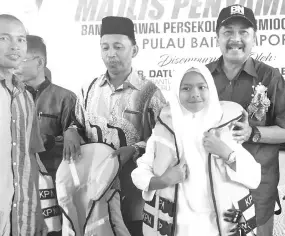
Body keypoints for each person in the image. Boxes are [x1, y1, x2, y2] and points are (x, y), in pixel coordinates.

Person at [63, 16, 166, 236]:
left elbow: (164, 140)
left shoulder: (149, 93)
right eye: (105, 47)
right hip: (94, 188)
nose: (111, 54)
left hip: (133, 186)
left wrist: (136, 149)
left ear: (134, 50)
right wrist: (71, 131)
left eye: (118, 47)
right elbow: (77, 123)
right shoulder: (88, 89)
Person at [131, 62, 261, 236]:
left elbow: (254, 177)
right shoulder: (164, 129)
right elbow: (141, 173)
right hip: (180, 225)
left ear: (211, 89)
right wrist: (163, 181)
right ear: (176, 91)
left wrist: (226, 153)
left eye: (201, 87)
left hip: (221, 225)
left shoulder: (226, 126)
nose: (195, 94)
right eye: (186, 88)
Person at [206, 4, 285, 236]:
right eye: (228, 32)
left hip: (257, 185)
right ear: (217, 37)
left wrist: (253, 133)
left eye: (243, 33)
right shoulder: (202, 76)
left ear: (254, 38)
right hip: (211, 184)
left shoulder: (270, 76)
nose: (235, 39)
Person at [0, 14, 47, 236]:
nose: (15, 46)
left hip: (21, 216)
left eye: (21, 39)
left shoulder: (25, 98)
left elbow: (30, 158)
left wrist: (37, 212)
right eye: (4, 38)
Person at [15, 35, 76, 181]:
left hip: (55, 179)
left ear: (40, 62)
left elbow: (78, 143)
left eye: (21, 60)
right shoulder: (9, 97)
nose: (15, 66)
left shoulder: (66, 98)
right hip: (17, 182)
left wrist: (48, 141)